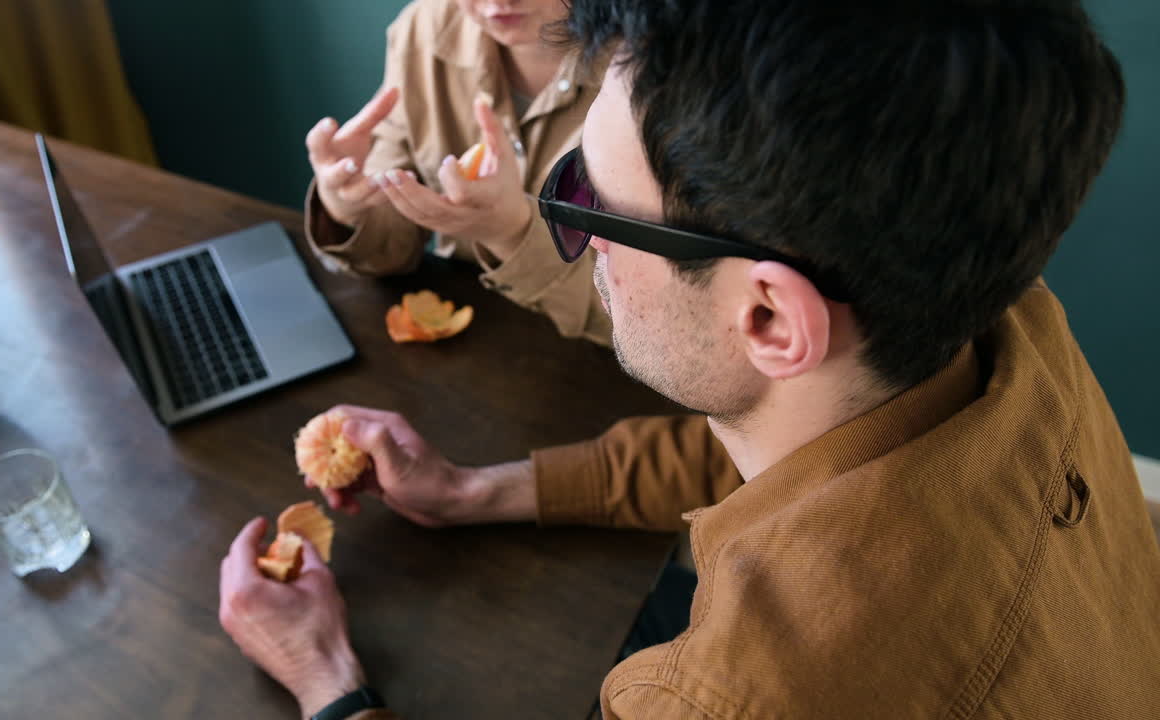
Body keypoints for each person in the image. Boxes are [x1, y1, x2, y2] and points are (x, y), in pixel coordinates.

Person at [222, 1, 1160, 718]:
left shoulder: (714, 696)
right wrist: (477, 491)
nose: (577, 240)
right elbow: (763, 441)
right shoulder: (1013, 324)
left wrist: (328, 681)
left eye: (585, 202)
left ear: (767, 317)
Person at [304, 0, 612, 345]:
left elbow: (663, 329)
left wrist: (513, 234)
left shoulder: (659, 69)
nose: (499, 3)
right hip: (468, 336)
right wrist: (349, 208)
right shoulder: (426, 27)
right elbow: (393, 249)